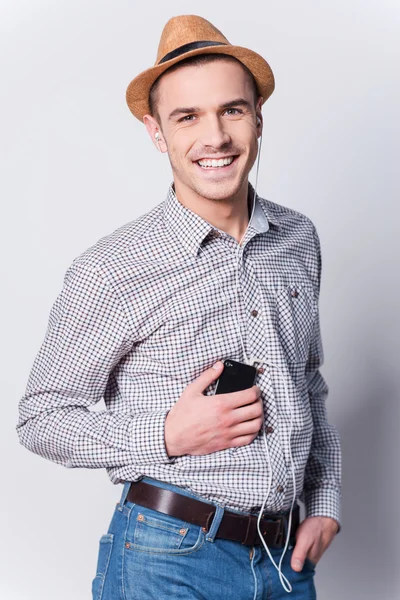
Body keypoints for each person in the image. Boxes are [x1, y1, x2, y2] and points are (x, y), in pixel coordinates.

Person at [16, 14, 341, 600]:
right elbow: (41, 419)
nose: (214, 137)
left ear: (258, 118)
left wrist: (325, 501)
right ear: (156, 132)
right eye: (187, 117)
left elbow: (308, 382)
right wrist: (165, 436)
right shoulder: (114, 267)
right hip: (167, 560)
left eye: (232, 110)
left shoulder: (298, 239)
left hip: (285, 560)